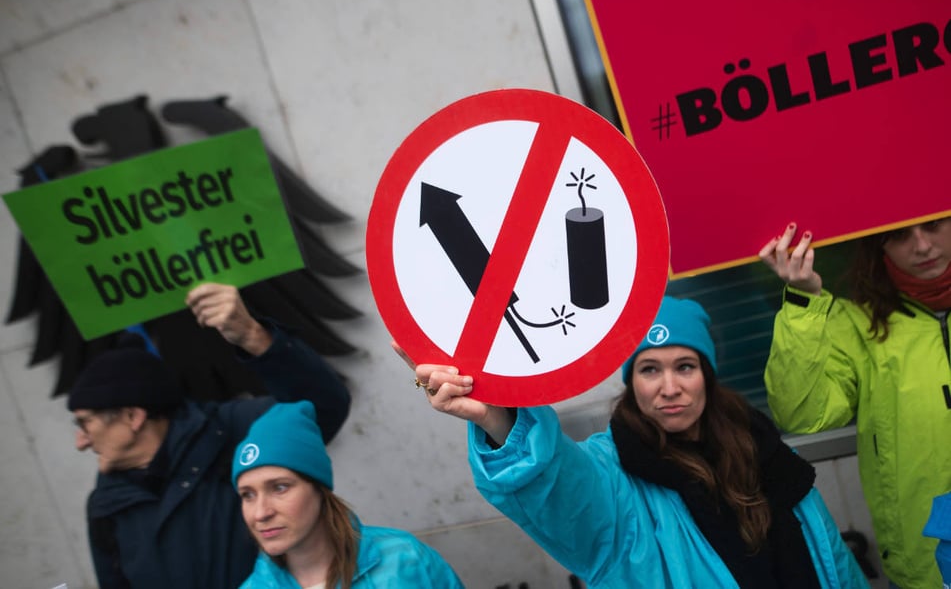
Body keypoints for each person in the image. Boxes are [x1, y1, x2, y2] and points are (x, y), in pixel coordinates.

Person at [398, 296, 867, 588]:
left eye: (684, 366)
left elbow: (834, 562)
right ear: (631, 382)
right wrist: (500, 420)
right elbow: (561, 487)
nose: (669, 387)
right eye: (649, 369)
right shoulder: (613, 474)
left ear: (707, 375)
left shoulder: (764, 451)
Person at [67, 282, 352, 589]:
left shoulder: (230, 432)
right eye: (248, 495)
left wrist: (253, 336)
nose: (80, 442)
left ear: (133, 417)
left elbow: (322, 408)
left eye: (85, 424)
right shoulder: (105, 505)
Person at [759, 218, 951, 589]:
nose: (923, 247)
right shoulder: (858, 325)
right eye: (899, 235)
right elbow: (802, 414)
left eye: (933, 225)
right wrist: (802, 300)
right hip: (924, 568)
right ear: (877, 246)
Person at [231, 400, 464, 588]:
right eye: (247, 495)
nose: (261, 513)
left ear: (319, 489)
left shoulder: (405, 559)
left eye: (280, 487)